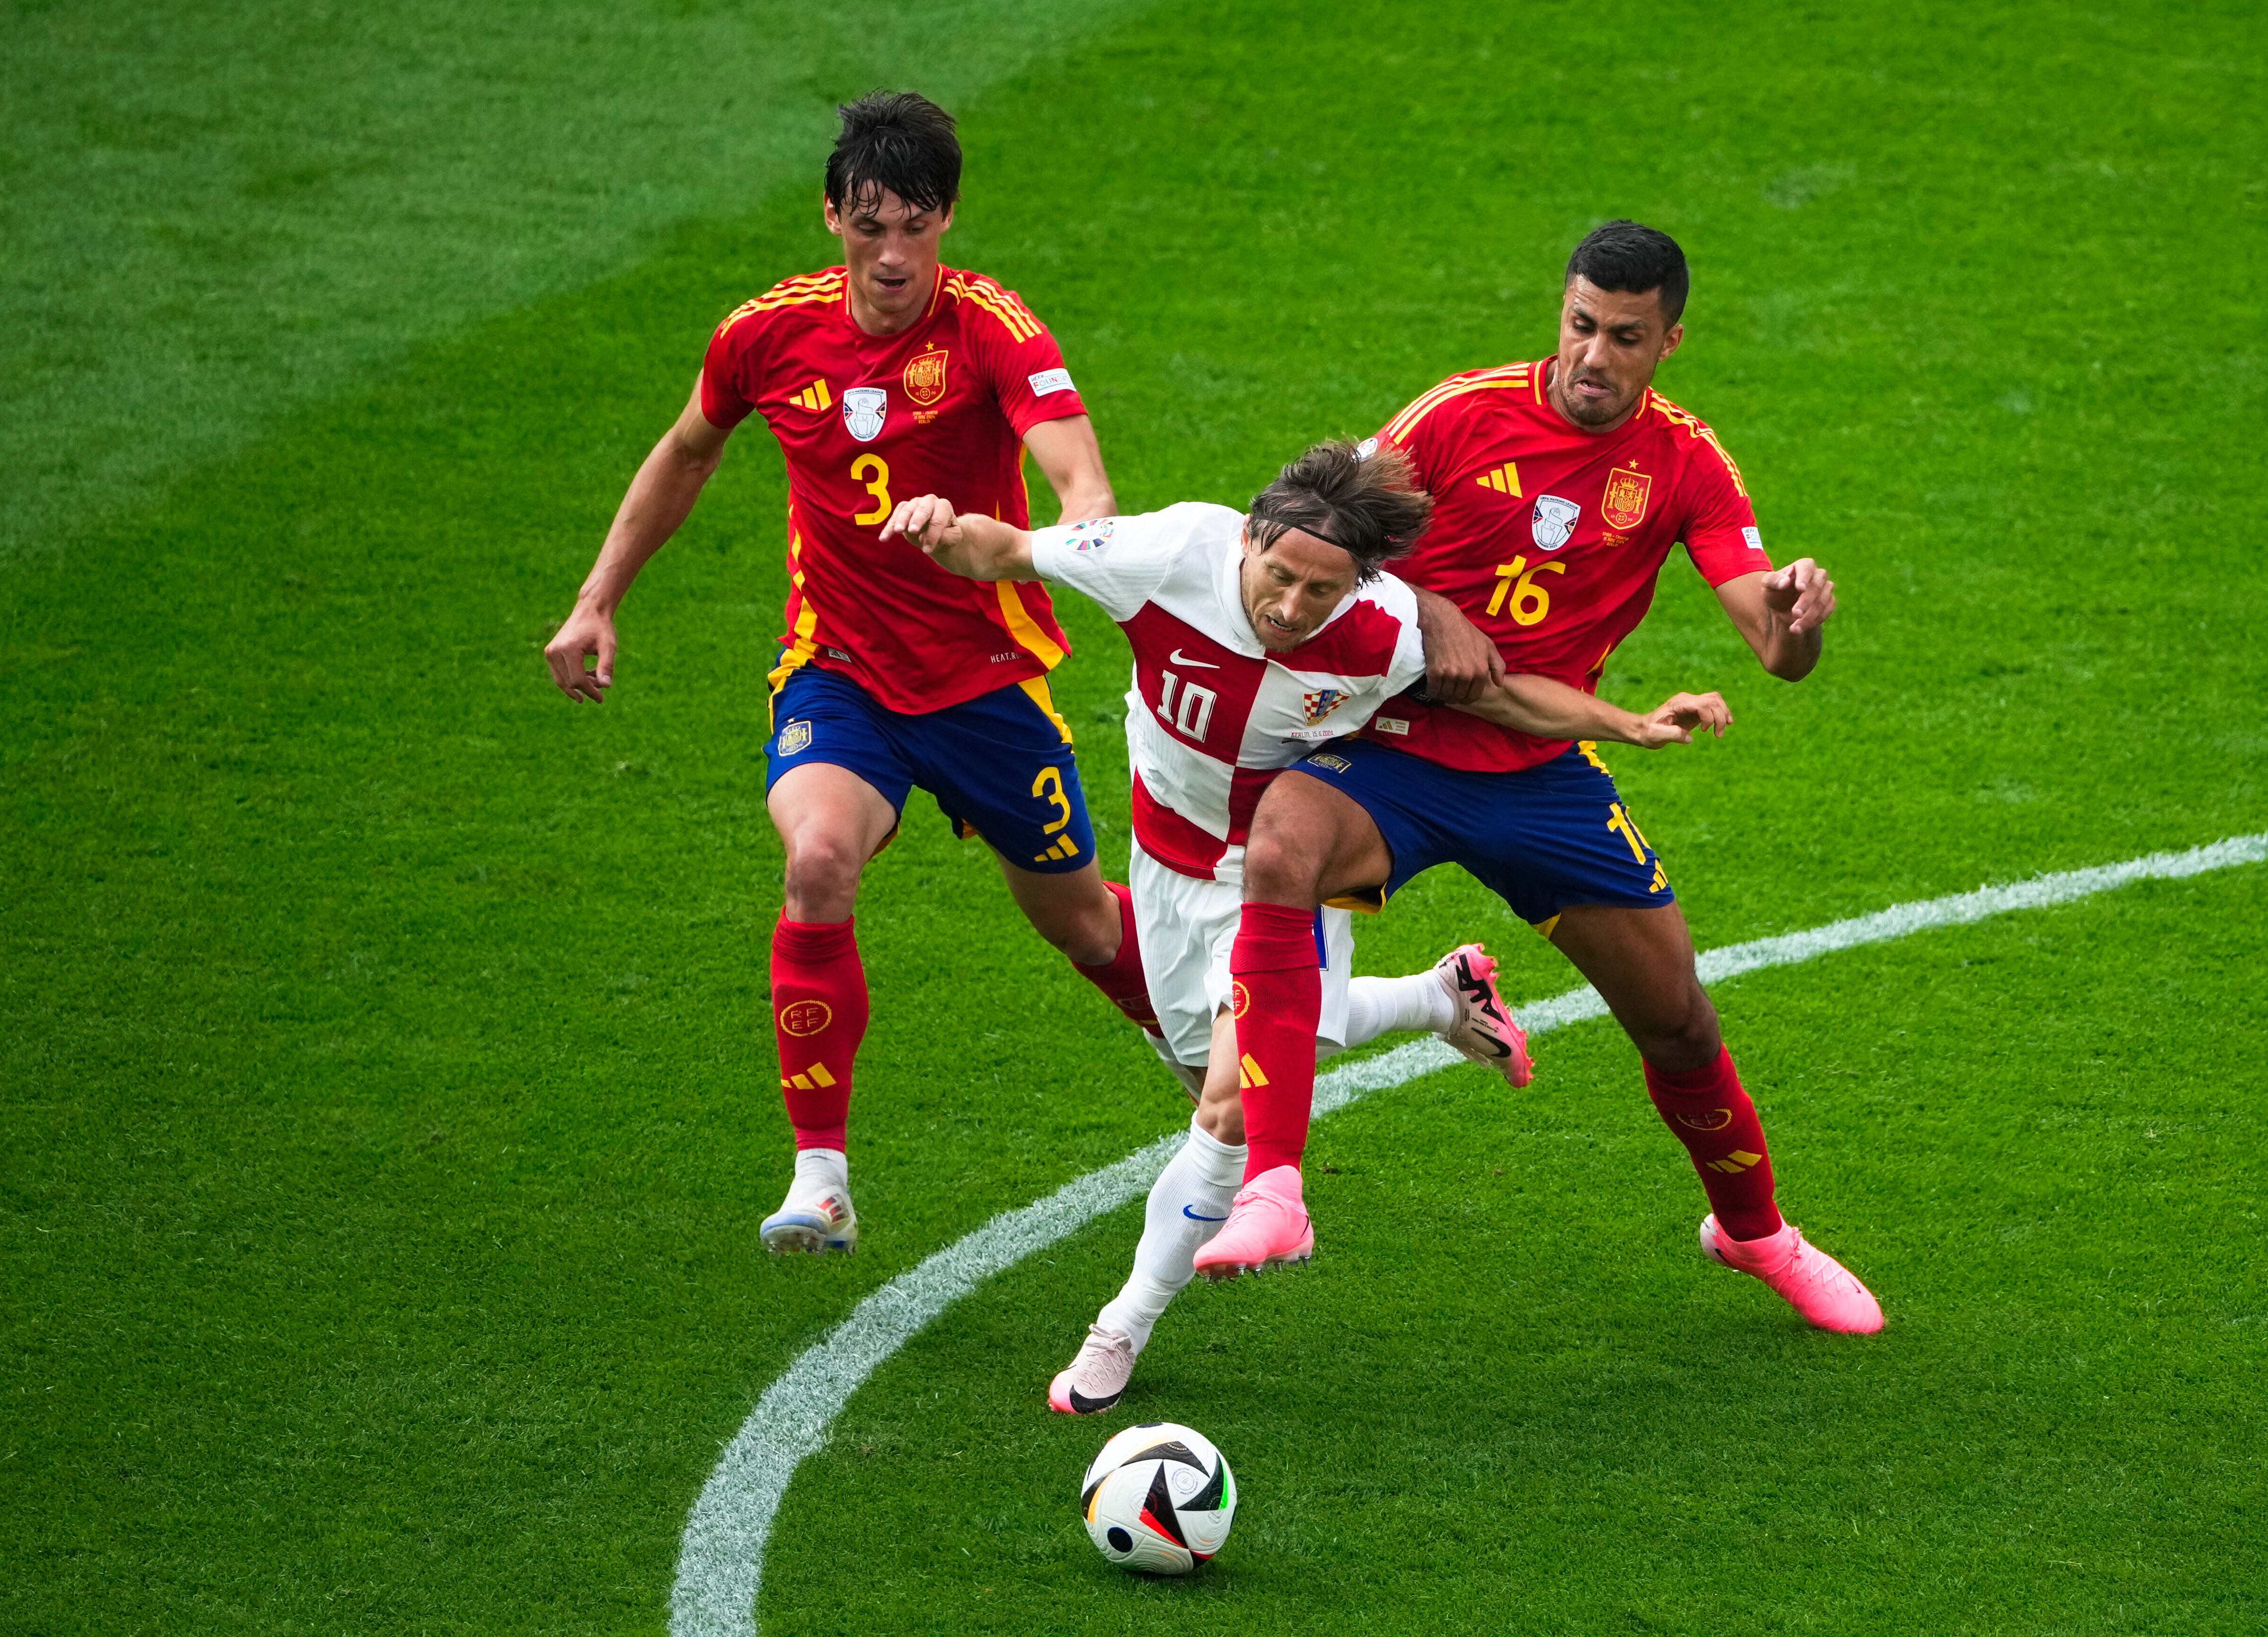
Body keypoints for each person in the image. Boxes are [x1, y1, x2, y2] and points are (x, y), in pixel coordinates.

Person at [883, 437, 1736, 1411]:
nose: (1289, 607)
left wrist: (1630, 722)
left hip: (1283, 879)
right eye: (1277, 576)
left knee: (1230, 1107)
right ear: (1246, 538)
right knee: (1211, 1056)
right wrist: (941, 529)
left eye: (1318, 592)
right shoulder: (1165, 553)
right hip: (1165, 871)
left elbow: (1499, 696)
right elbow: (1010, 551)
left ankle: (1118, 1326)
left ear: (1362, 584)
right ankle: (1437, 996)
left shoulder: (1385, 631)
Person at [1199, 222, 1883, 1335]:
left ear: (1668, 341)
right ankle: (1277, 1188)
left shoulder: (1686, 462)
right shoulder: (1460, 413)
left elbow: (1772, 648)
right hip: (1392, 749)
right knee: (1281, 845)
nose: (1592, 357)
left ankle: (1754, 1232)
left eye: (1624, 336)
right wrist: (1424, 605)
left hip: (1540, 767)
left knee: (1677, 1021)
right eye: (1579, 325)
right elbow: (1322, 536)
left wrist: (1800, 621)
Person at [542, 91, 1162, 1256]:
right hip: (842, 671)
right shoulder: (765, 335)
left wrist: (1054, 537)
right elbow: (688, 450)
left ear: (947, 221)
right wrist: (596, 598)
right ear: (831, 216)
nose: (892, 256)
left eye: (915, 228)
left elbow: (1082, 481)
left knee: (1079, 922)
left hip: (984, 677)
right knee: (817, 857)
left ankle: (1198, 1064)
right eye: (869, 226)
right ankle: (819, 1175)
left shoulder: (991, 328)